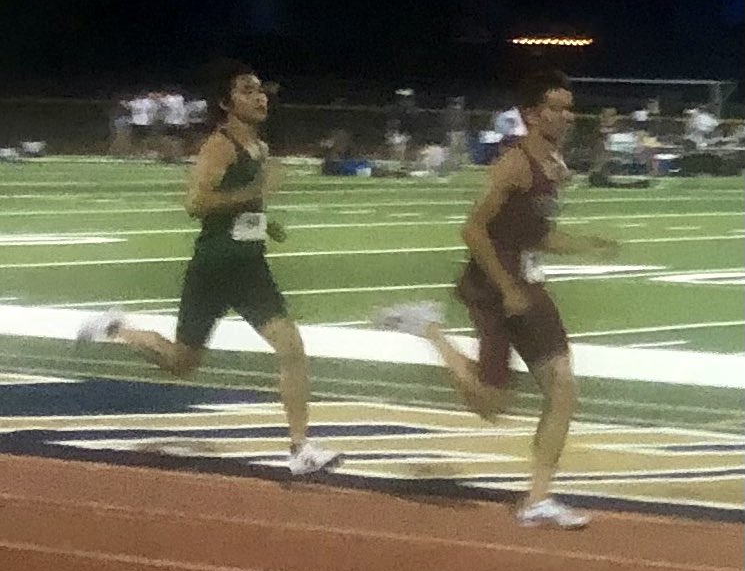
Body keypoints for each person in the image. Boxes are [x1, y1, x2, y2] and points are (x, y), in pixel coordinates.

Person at [376, 70, 618, 529]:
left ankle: (538, 500)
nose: (567, 116)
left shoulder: (555, 163)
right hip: (494, 288)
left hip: (528, 285)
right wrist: (507, 289)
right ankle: (428, 329)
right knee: (491, 405)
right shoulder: (514, 163)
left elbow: (534, 234)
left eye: (569, 108)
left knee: (562, 388)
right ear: (531, 114)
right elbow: (472, 229)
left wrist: (587, 245)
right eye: (556, 108)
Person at [77, 60, 341, 477]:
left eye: (260, 89)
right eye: (247, 90)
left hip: (249, 266)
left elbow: (243, 206)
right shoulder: (219, 146)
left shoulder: (259, 147)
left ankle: (300, 448)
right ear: (225, 103)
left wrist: (264, 222)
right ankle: (117, 328)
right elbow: (196, 204)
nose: (260, 97)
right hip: (214, 268)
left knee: (291, 349)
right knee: (182, 363)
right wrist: (256, 191)